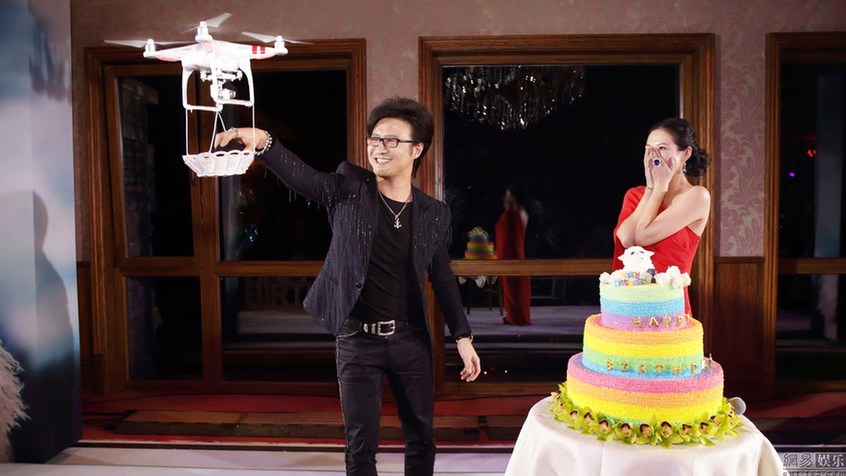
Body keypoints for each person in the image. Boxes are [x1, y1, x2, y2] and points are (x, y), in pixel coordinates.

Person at [215, 96, 481, 476]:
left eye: (392, 140)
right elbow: (305, 179)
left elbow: (441, 275)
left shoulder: (433, 213)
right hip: (358, 341)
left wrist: (463, 337)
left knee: (422, 438)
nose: (379, 148)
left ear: (417, 149)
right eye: (375, 139)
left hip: (410, 340)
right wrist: (264, 142)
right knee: (360, 448)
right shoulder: (350, 188)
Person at [613, 117, 712, 313]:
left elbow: (642, 236)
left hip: (668, 310)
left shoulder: (697, 196)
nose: (654, 156)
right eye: (648, 149)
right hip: (627, 306)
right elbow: (627, 240)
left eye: (662, 148)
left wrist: (659, 188)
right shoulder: (635, 195)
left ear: (685, 154)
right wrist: (651, 189)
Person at [495, 185, 532, 325]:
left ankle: (516, 317)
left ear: (514, 198)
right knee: (514, 288)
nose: (505, 198)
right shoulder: (521, 213)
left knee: (514, 288)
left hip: (511, 256)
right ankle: (514, 315)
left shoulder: (511, 215)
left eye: (508, 195)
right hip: (515, 256)